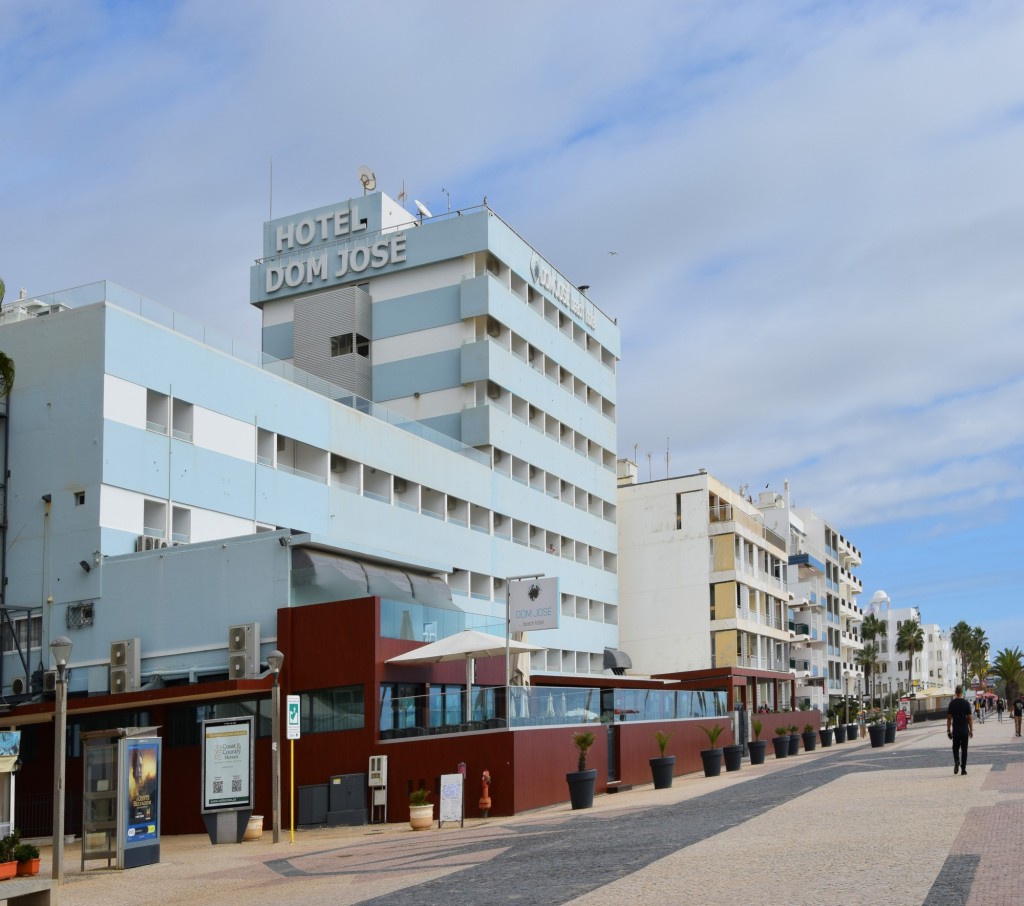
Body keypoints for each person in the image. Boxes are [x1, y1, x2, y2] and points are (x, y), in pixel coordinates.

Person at [947, 685, 974, 775]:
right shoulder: (966, 703)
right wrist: (971, 730)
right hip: (964, 730)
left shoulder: (952, 703)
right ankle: (963, 769)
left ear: (955, 692)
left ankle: (957, 761)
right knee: (964, 750)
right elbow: (969, 718)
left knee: (955, 748)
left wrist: (948, 730)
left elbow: (949, 718)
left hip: (956, 731)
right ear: (962, 692)